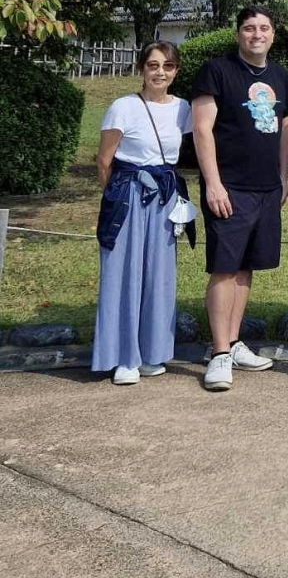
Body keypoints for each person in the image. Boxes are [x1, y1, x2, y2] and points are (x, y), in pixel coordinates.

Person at [191, 5, 288, 393]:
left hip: (266, 188)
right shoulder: (217, 71)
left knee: (246, 265)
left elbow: (285, 125)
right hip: (229, 186)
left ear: (273, 34)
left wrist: (283, 176)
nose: (257, 34)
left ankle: (233, 343)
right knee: (224, 266)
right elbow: (202, 129)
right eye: (249, 28)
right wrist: (213, 183)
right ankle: (218, 352)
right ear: (238, 33)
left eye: (264, 28)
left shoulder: (280, 76)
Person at [92, 41, 195, 385]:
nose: (160, 72)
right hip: (129, 195)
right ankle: (124, 356)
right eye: (153, 65)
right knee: (123, 273)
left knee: (159, 275)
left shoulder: (183, 109)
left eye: (167, 66)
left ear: (176, 71)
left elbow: (205, 139)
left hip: (165, 196)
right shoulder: (123, 107)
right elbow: (104, 160)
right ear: (141, 69)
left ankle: (152, 352)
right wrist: (117, 195)